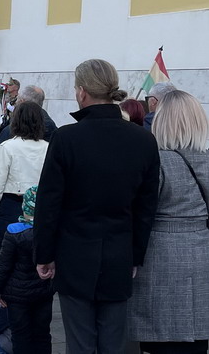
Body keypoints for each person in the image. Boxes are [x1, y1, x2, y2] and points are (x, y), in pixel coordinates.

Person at [34, 59, 160, 354]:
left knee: (79, 342)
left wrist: (44, 254)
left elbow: (49, 203)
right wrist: (135, 256)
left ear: (81, 92)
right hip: (119, 254)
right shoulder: (143, 140)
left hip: (74, 254)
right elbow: (146, 209)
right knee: (113, 342)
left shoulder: (67, 138)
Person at [127, 90, 209, 354]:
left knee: (160, 338)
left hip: (159, 256)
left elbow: (140, 211)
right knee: (198, 334)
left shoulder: (157, 161)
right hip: (202, 253)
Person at [0, 186, 54, 353]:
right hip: (43, 293)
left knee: (20, 335)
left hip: (16, 296)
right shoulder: (51, 233)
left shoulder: (14, 233)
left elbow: (3, 266)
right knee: (42, 334)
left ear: (25, 207)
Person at [0, 102, 50, 252]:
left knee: (6, 256)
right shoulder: (48, 147)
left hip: (10, 206)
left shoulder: (7, 147)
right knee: (34, 257)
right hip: (39, 206)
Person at [0, 86, 58, 186]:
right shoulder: (52, 128)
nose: (15, 102)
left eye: (17, 99)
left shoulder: (13, 129)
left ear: (22, 102)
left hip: (14, 189)